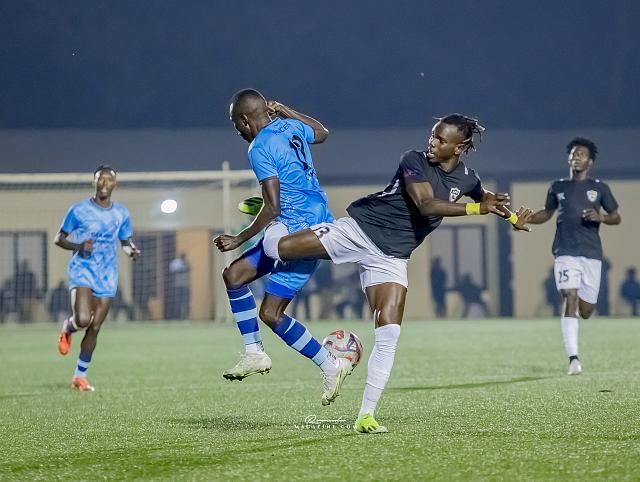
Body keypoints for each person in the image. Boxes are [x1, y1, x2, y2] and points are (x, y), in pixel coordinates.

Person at [273, 114, 533, 433]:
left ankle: (366, 415)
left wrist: (512, 218)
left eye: (441, 139)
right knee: (280, 248)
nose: (432, 142)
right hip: (360, 230)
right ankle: (275, 215)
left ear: (459, 147)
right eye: (433, 135)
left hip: (392, 257)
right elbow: (426, 204)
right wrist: (476, 209)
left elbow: (486, 198)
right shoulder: (414, 160)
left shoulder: (468, 178)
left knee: (389, 333)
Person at [213, 89, 351, 406]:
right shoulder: (290, 126)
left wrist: (239, 238)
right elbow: (322, 133)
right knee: (234, 276)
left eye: (236, 123)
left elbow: (273, 206)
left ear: (244, 119)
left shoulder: (258, 147)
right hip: (307, 222)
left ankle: (331, 365)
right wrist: (287, 110)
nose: (237, 130)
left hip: (298, 235)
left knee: (271, 313)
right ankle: (254, 352)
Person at [526, 138, 621, 375]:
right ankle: (573, 359)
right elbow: (546, 213)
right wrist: (524, 219)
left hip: (591, 254)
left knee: (586, 310)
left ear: (590, 161)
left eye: (582, 154)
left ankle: (579, 322)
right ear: (569, 158)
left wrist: (601, 217)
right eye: (574, 154)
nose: (577, 157)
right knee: (570, 297)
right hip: (565, 251)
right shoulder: (557, 186)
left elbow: (616, 216)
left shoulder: (600, 188)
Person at [55, 165, 141, 391]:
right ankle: (68, 327)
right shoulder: (78, 210)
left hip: (107, 275)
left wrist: (131, 251)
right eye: (100, 179)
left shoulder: (121, 213)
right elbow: (59, 238)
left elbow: (125, 241)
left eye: (109, 180)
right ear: (93, 182)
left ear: (115, 184)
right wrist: (78, 246)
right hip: (83, 270)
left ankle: (79, 376)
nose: (104, 183)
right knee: (83, 319)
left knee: (94, 328)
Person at [167, 252, 191, 320]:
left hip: (185, 285)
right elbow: (172, 270)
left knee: (185, 302)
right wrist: (181, 269)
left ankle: (185, 317)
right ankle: (176, 317)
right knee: (177, 302)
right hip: (177, 286)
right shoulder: (175, 263)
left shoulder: (187, 262)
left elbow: (189, 268)